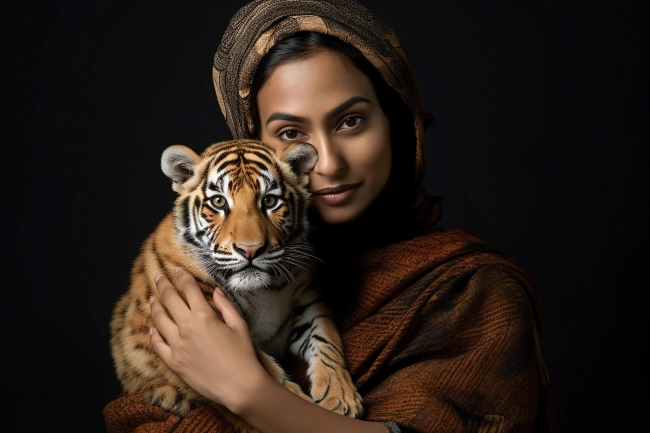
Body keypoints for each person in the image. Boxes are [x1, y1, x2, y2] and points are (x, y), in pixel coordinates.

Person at [103, 0, 552, 432]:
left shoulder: (472, 289)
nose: (327, 164)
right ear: (253, 138)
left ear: (398, 121)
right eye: (291, 133)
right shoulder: (237, 266)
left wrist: (250, 393)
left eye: (351, 121)